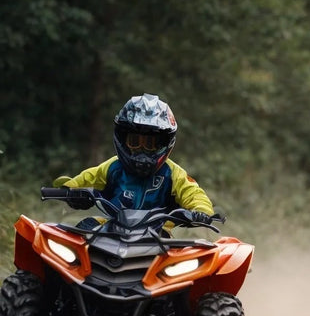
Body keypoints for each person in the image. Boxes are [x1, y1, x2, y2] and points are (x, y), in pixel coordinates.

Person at [61, 93, 214, 228]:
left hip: (159, 233)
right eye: (134, 141)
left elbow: (193, 193)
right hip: (112, 225)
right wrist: (68, 189)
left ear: (163, 144)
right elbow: (86, 178)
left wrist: (201, 212)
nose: (141, 150)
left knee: (180, 256)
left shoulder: (173, 173)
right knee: (83, 229)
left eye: (149, 144)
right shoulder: (113, 167)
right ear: (123, 140)